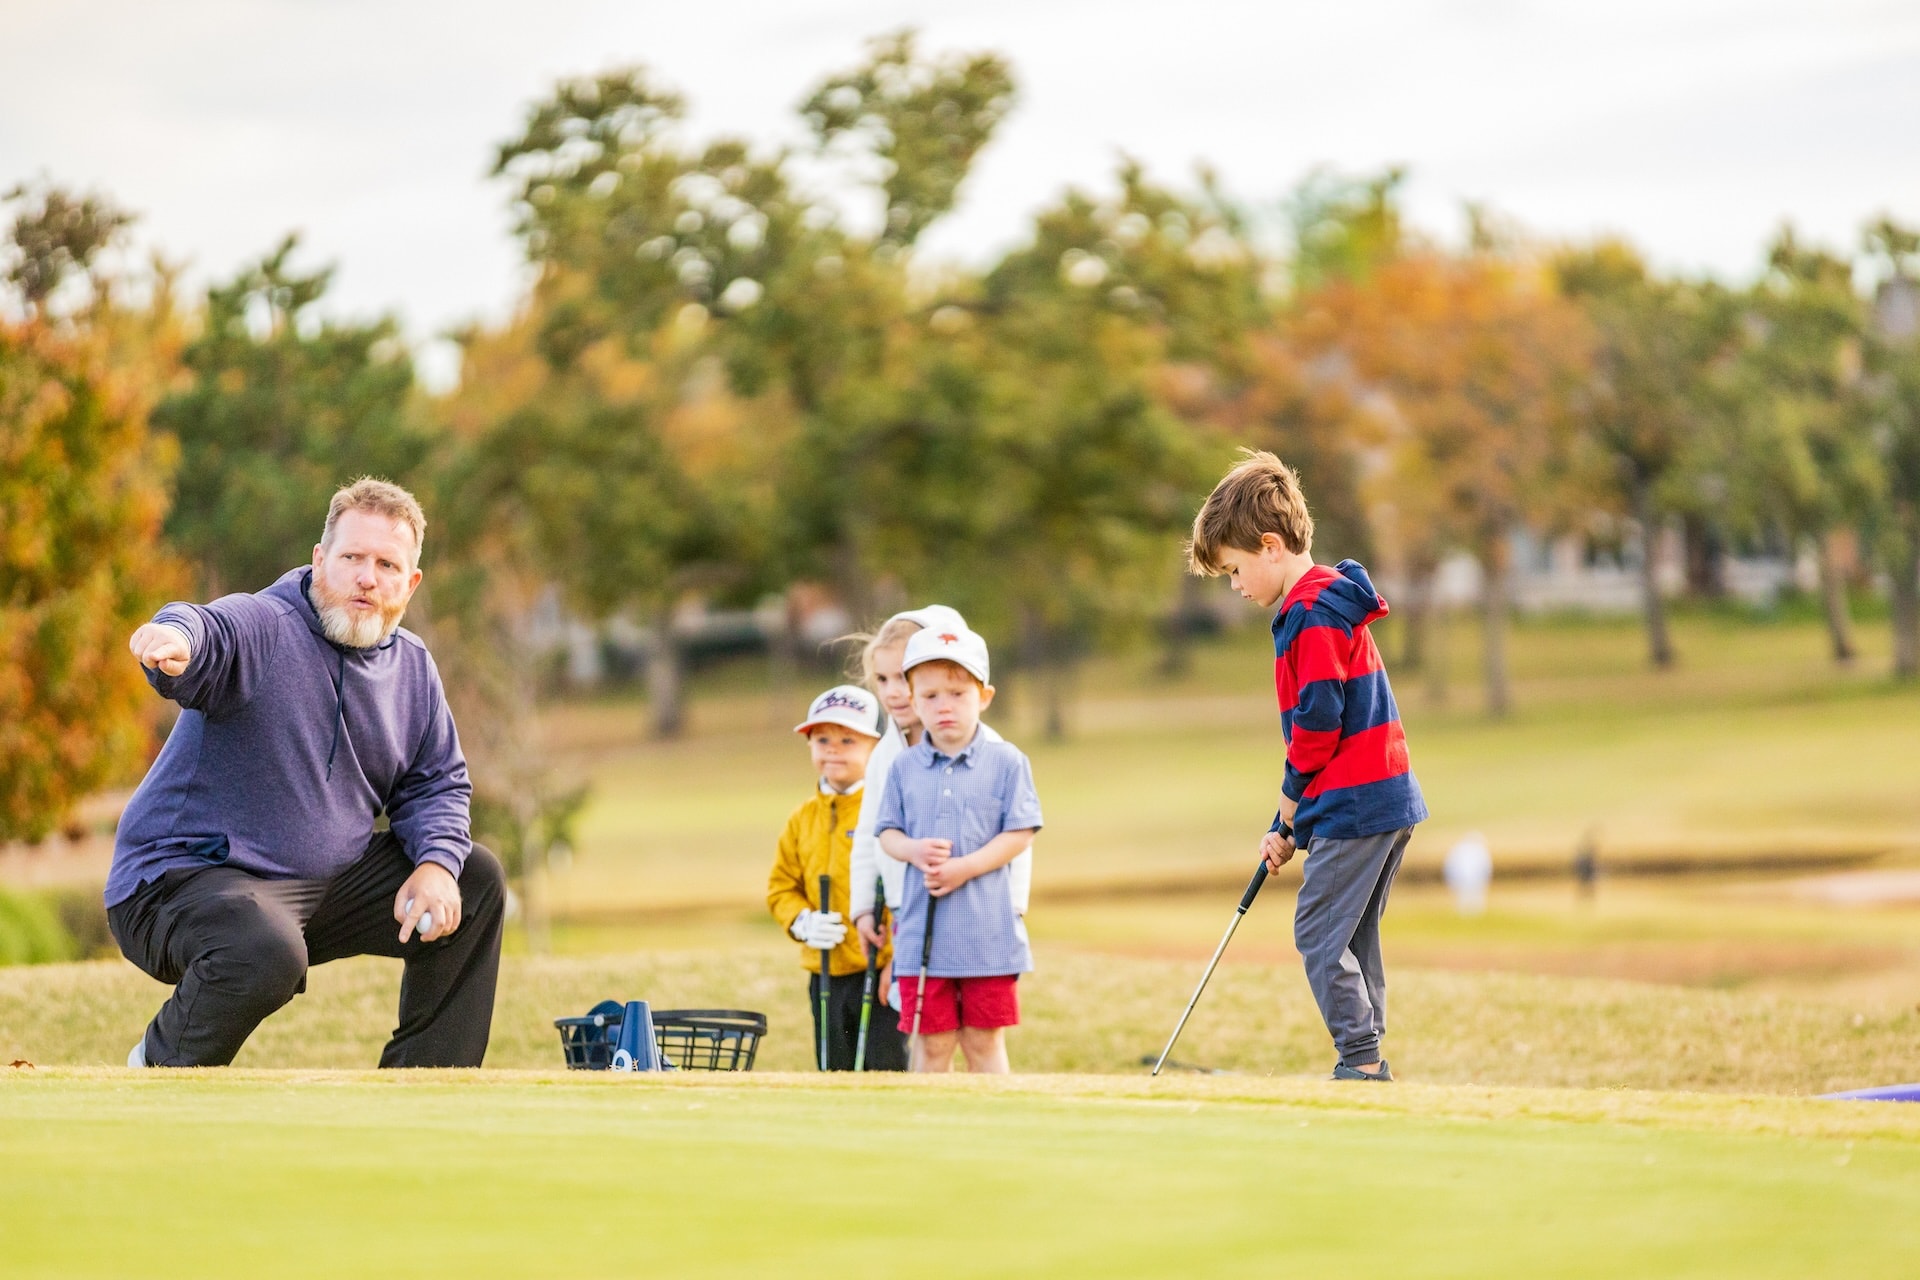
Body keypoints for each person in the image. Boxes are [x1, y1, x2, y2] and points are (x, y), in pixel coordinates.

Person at [108, 478, 505, 1069]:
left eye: (387, 565)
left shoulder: (413, 670)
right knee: (264, 947)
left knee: (473, 879)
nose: (367, 578)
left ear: (411, 583)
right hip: (180, 882)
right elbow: (211, 630)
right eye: (352, 558)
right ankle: (155, 1069)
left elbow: (435, 784)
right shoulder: (267, 626)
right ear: (320, 561)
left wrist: (436, 864)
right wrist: (176, 638)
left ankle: (425, 1086)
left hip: (315, 890)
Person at [1187, 449, 1428, 1082]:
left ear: (1270, 547)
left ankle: (1361, 1062)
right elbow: (1316, 742)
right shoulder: (1322, 602)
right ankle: (1368, 1059)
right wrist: (1286, 825)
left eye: (1234, 569)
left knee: (1319, 930)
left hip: (1358, 802)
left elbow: (1317, 727)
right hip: (1379, 798)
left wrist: (1289, 812)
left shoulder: (1311, 614)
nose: (1235, 585)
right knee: (1351, 936)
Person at [847, 606, 1034, 1003]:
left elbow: (1018, 838)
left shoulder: (995, 752)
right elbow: (870, 833)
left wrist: (1014, 908)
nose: (893, 692)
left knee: (979, 1017)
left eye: (902, 677)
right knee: (925, 1019)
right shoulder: (886, 756)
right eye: (882, 679)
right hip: (908, 912)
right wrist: (863, 907)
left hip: (979, 912)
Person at [876, 627, 1041, 1073]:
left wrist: (965, 868)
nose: (944, 706)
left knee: (983, 1041)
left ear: (983, 697)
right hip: (922, 937)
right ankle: (927, 1118)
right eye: (930, 696)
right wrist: (912, 849)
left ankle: (995, 1117)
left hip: (987, 935)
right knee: (931, 1043)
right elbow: (887, 833)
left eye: (957, 693)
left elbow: (1020, 832)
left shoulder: (1007, 761)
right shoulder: (903, 767)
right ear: (913, 702)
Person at [766, 684, 906, 1071]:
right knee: (834, 1071)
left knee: (887, 1073)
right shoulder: (802, 819)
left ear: (876, 747)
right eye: (822, 740)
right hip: (825, 972)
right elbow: (782, 887)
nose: (832, 750)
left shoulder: (888, 809)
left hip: (880, 970)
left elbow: (903, 886)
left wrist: (898, 960)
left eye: (848, 740)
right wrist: (801, 921)